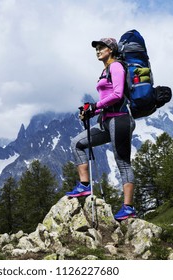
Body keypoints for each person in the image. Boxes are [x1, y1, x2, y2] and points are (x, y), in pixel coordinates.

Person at [65, 37, 137, 221]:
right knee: (77, 143)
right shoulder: (105, 70)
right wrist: (91, 111)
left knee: (122, 162)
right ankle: (84, 186)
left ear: (111, 50)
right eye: (96, 48)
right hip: (106, 121)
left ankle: (128, 208)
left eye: (101, 47)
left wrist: (95, 105)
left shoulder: (116, 67)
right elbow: (108, 97)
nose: (97, 50)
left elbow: (118, 94)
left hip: (120, 120)